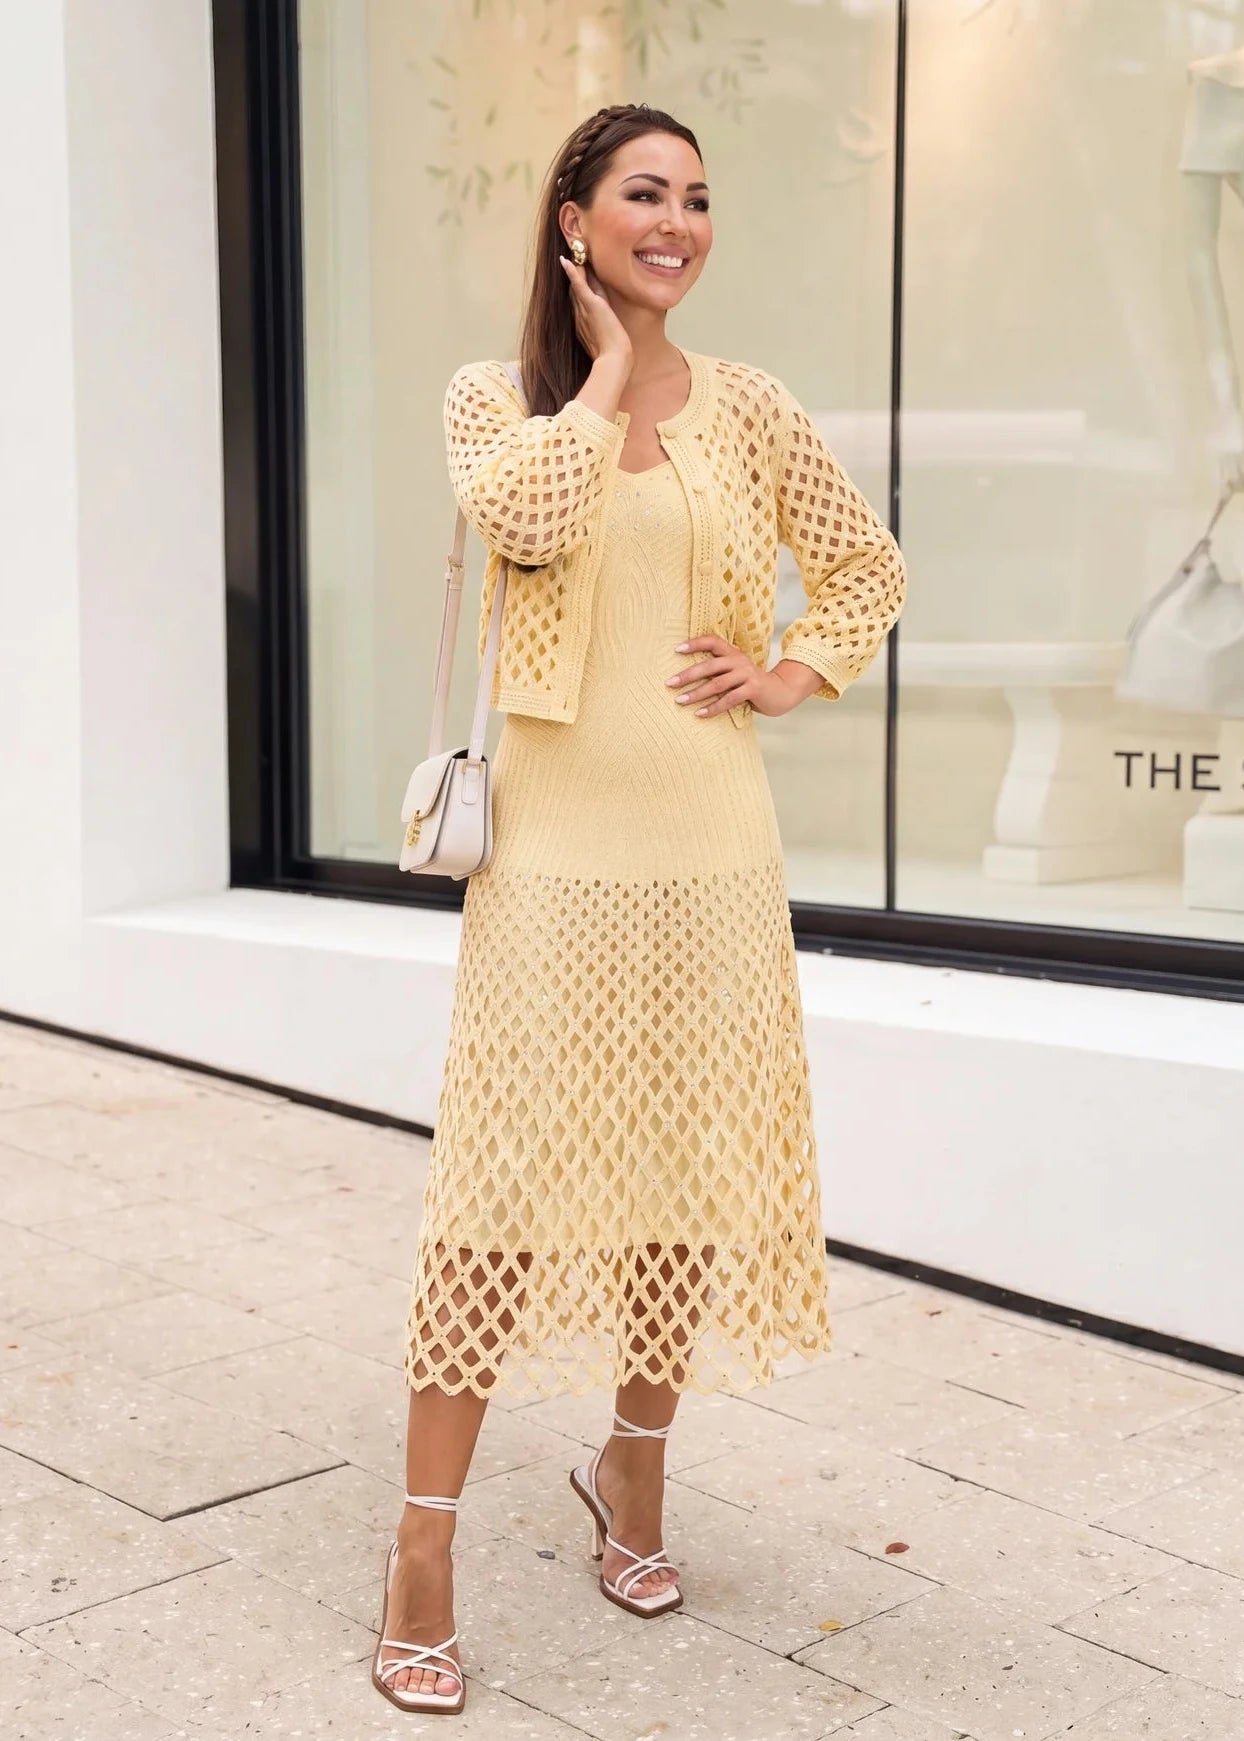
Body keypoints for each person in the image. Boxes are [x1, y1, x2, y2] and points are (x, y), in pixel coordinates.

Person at [372, 102, 906, 1716]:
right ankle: (421, 1549)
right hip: (551, 856)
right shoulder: (499, 398)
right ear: (577, 219)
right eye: (643, 195)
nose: (676, 221)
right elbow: (528, 519)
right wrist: (602, 373)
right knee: (495, 1197)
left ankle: (638, 1468)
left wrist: (790, 670)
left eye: (696, 198)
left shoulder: (752, 408)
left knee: (681, 1167)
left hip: (712, 846)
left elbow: (866, 568)